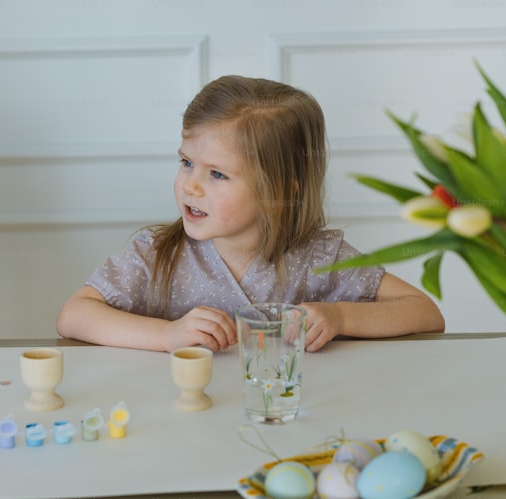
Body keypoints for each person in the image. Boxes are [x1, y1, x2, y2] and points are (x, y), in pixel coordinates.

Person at [56, 75, 444, 352]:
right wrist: (167, 336)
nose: (190, 185)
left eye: (218, 174)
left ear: (278, 190)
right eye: (187, 163)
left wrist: (340, 318)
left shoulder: (320, 259)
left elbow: (425, 312)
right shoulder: (159, 255)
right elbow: (74, 316)